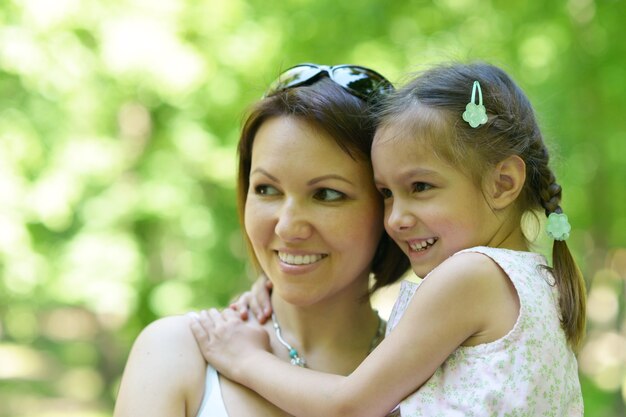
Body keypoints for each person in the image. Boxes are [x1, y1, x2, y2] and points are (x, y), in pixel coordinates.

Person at [190, 62, 586, 416]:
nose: (395, 218)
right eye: (386, 194)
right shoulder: (537, 281)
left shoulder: (469, 277)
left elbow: (349, 405)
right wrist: (278, 281)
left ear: (503, 184)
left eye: (420, 186)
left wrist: (242, 358)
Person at [113, 63, 409, 417]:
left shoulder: (435, 376)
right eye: (267, 189)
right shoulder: (176, 352)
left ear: (387, 205)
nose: (287, 227)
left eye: (327, 194)